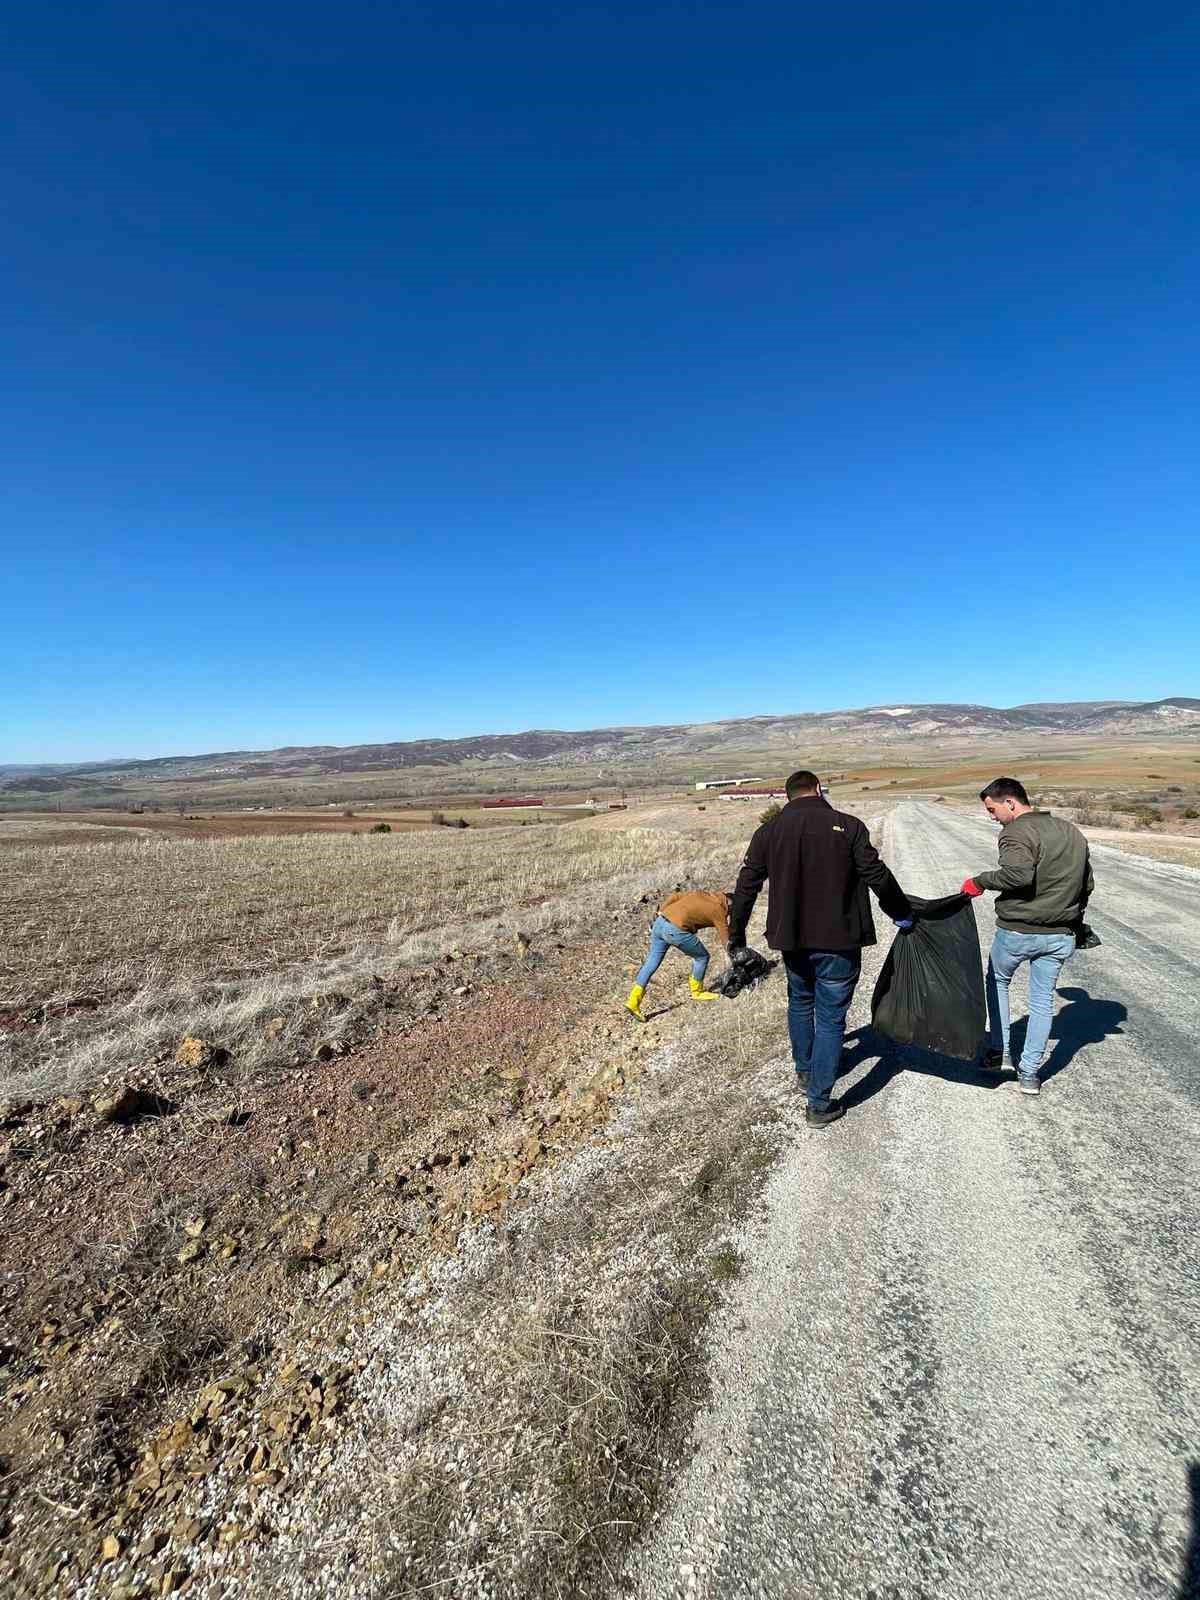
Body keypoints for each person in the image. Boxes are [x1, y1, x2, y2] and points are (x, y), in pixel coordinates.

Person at [727, 770, 913, 1128]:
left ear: (789, 796)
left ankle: (805, 1070)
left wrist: (736, 936)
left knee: (800, 1001)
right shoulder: (849, 826)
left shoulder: (769, 832)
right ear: (817, 789)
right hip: (839, 940)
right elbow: (877, 875)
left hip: (791, 940)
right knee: (830, 1018)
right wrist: (901, 913)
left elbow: (746, 885)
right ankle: (818, 1103)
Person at [961, 777, 1094, 1096]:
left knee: (998, 982)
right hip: (1060, 933)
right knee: (1042, 1001)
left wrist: (979, 881)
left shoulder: (1016, 832)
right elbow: (1086, 884)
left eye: (992, 809)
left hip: (1019, 930)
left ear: (1011, 802)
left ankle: (1001, 1054)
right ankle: (1031, 1075)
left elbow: (1018, 875)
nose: (992, 817)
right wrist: (1074, 919)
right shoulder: (1070, 831)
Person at [626, 889, 732, 1022]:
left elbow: (675, 896)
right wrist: (734, 954)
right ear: (729, 904)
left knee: (651, 963)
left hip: (659, 922)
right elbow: (725, 937)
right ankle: (697, 992)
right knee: (702, 957)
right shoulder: (719, 911)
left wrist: (660, 912)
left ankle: (633, 1001)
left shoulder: (700, 893)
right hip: (675, 930)